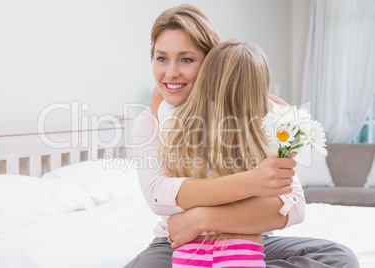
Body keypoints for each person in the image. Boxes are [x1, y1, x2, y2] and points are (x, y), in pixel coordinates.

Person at [125, 4, 359, 268]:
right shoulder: (152, 121)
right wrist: (253, 182)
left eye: (186, 59)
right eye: (161, 58)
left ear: (210, 63)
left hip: (247, 236)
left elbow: (293, 205)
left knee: (341, 258)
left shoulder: (261, 114)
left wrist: (201, 218)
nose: (170, 73)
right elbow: (159, 194)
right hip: (179, 241)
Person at [159, 39, 279, 267]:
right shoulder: (266, 135)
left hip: (191, 242)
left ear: (205, 79)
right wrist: (271, 102)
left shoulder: (177, 122)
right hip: (243, 240)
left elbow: (159, 97)